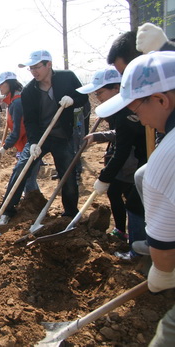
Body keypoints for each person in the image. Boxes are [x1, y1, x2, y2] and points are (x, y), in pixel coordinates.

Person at [95, 50, 175, 347]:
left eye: (136, 106)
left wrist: (163, 272)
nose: (136, 115)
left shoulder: (166, 158)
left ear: (162, 100)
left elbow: (165, 250)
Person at [0, 50, 88, 225]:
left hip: (63, 137)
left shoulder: (67, 78)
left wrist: (73, 100)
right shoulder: (29, 91)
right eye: (31, 68)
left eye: (37, 67)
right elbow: (30, 121)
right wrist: (32, 143)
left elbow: (83, 95)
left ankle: (70, 213)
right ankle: (6, 210)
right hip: (40, 137)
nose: (34, 71)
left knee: (68, 174)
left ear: (49, 64)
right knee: (21, 169)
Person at [77, 66, 147, 257]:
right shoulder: (121, 112)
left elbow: (122, 150)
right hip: (135, 160)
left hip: (140, 162)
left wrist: (104, 177)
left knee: (134, 203)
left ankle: (137, 249)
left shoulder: (127, 112)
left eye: (100, 92)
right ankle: (125, 234)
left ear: (116, 88)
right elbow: (122, 135)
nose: (98, 97)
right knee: (118, 192)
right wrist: (99, 136)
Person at [0, 71, 40, 194]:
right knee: (27, 179)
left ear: (9, 84)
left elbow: (18, 131)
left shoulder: (18, 102)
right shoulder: (13, 101)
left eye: (1, 84)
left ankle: (33, 206)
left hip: (29, 146)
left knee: (27, 179)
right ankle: (32, 203)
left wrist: (5, 146)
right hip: (24, 146)